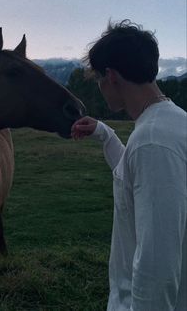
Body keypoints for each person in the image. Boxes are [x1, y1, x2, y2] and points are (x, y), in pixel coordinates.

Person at [71, 20, 187, 311]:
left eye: (98, 78)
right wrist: (105, 134)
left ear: (111, 77)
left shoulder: (152, 142)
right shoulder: (172, 122)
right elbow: (133, 179)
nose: (99, 87)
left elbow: (157, 266)